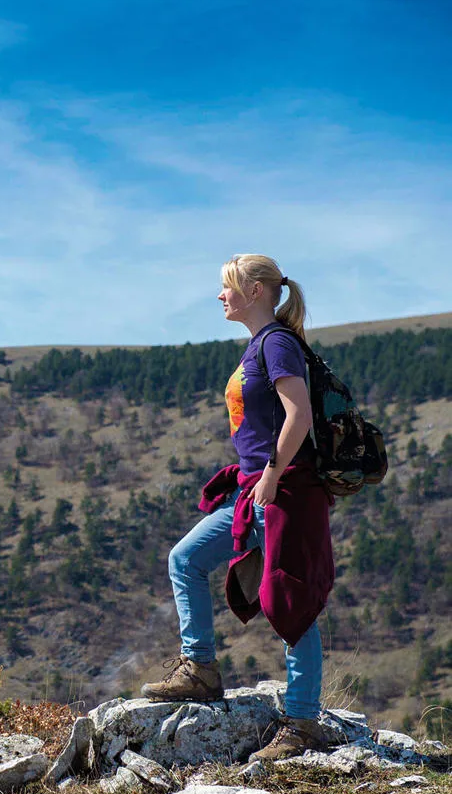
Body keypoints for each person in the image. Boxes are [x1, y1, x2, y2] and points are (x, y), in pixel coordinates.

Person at [141, 253, 334, 761]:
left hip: (285, 491)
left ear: (255, 291)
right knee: (186, 558)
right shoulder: (260, 345)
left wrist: (271, 473)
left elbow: (299, 413)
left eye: (227, 287)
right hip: (254, 493)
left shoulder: (277, 343)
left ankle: (302, 722)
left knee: (291, 603)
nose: (220, 296)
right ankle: (200, 668)